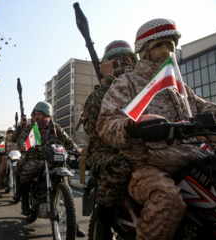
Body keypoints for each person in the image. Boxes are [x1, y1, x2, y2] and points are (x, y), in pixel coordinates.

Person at [97, 18, 216, 240]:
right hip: (146, 166)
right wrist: (133, 127)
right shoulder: (128, 84)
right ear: (144, 51)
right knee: (168, 201)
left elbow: (210, 110)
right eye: (160, 45)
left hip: (193, 159)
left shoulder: (180, 87)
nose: (167, 50)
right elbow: (106, 124)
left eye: (171, 45)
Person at [81, 40, 137, 238]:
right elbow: (94, 112)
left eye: (127, 59)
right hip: (106, 151)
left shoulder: (142, 82)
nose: (123, 64)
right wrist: (107, 79)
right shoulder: (103, 89)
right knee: (118, 166)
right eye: (116, 61)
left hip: (141, 149)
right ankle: (102, 227)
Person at [17, 101, 86, 238]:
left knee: (66, 186)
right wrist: (23, 146)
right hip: (35, 159)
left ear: (46, 115)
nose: (36, 117)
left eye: (39, 114)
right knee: (27, 171)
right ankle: (25, 201)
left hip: (53, 159)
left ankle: (72, 224)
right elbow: (20, 140)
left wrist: (76, 149)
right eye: (35, 114)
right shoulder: (32, 128)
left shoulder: (55, 128)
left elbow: (67, 141)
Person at [12, 110, 36, 202]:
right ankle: (19, 192)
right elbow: (15, 138)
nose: (35, 118)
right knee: (20, 164)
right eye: (33, 116)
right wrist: (21, 126)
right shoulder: (27, 128)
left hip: (41, 153)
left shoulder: (42, 127)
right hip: (26, 153)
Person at [0, 127, 18, 198]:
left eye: (12, 132)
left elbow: (21, 148)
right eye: (9, 132)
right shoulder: (3, 141)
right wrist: (0, 151)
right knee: (1, 172)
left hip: (16, 159)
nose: (11, 133)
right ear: (7, 133)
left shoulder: (17, 140)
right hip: (6, 158)